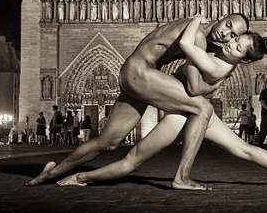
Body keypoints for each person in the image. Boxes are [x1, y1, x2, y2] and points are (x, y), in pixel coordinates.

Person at [55, 19, 267, 188]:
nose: (230, 44)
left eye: (238, 47)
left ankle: (81, 177)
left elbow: (187, 49)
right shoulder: (222, 59)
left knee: (133, 161)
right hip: (189, 108)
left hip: (184, 111)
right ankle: (79, 177)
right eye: (234, 39)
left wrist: (195, 20)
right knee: (241, 147)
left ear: (245, 61)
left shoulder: (215, 64)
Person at [26, 13, 250, 190]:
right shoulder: (198, 37)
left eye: (233, 36)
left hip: (133, 72)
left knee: (108, 142)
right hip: (142, 72)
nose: (226, 34)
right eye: (228, 25)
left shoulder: (196, 26)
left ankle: (51, 173)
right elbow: (193, 87)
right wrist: (214, 82)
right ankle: (182, 177)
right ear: (222, 17)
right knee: (203, 107)